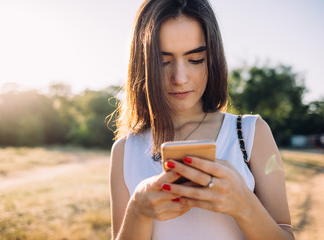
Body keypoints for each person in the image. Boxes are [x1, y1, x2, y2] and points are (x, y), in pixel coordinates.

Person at [110, 0, 294, 239]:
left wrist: (245, 206)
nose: (179, 77)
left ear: (213, 59)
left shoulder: (250, 133)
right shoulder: (125, 150)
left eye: (195, 59)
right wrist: (138, 211)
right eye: (163, 62)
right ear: (142, 64)